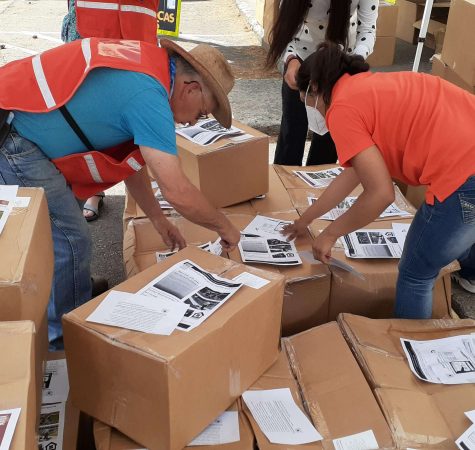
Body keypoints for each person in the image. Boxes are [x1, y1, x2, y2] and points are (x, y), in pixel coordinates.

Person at [0, 38, 241, 349]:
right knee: (72, 240)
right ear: (191, 88)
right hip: (15, 139)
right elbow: (177, 189)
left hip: (20, 120)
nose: (195, 121)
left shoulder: (151, 69)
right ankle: (61, 343)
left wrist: (157, 217)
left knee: (63, 233)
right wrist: (225, 227)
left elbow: (132, 163)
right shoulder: (149, 96)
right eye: (203, 112)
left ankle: (73, 292)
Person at [283, 42, 475, 319]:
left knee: (415, 273)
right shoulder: (365, 87)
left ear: (314, 88)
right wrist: (306, 220)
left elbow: (380, 194)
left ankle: (408, 354)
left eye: (305, 99)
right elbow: (351, 175)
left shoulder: (342, 108)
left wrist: (329, 234)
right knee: (459, 230)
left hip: (464, 175)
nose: (310, 109)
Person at [62, 0, 161, 220]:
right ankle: (91, 187)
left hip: (138, 22)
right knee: (87, 113)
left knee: (139, 109)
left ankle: (142, 193)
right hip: (93, 22)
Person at [266, 0, 378, 166]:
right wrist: (290, 60)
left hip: (339, 65)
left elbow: (367, 30)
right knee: (291, 133)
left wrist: (353, 63)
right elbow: (285, 29)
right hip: (300, 61)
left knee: (328, 142)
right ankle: (283, 187)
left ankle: (318, 189)